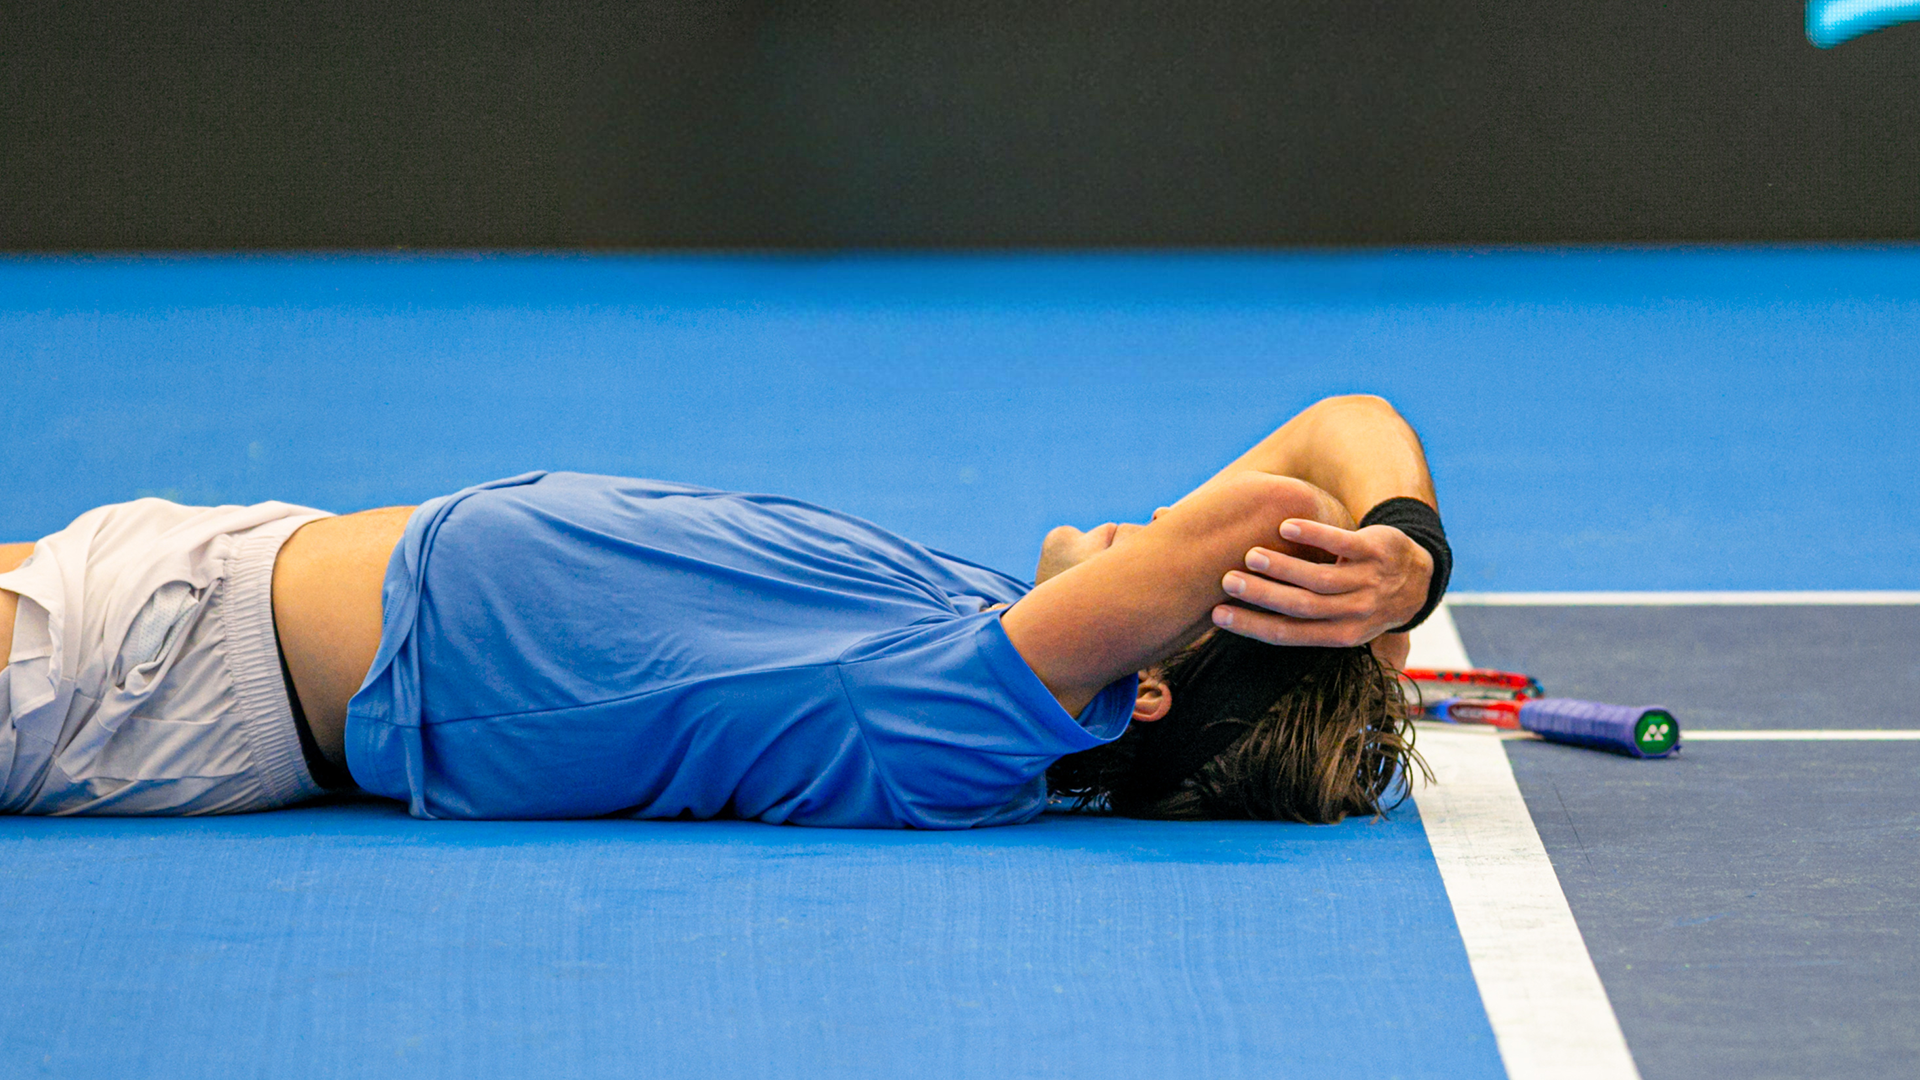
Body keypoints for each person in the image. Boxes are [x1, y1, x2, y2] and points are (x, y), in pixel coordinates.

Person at [0, 394, 1447, 826]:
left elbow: (1266, 509)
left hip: (157, 672)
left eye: (1177, 581)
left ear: (1136, 678)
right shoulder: (1006, 638)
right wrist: (1406, 554)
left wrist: (1368, 591)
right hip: (229, 576)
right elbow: (1342, 427)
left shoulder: (960, 720)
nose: (1146, 522)